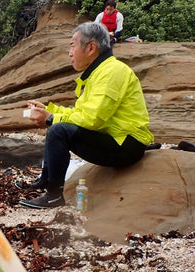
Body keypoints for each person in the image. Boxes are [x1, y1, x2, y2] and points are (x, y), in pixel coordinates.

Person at [17, 22, 153, 209]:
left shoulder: (112, 72)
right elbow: (80, 114)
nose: (69, 52)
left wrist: (50, 118)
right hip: (114, 138)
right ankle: (46, 181)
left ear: (91, 48)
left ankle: (54, 196)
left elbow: (92, 119)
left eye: (72, 45)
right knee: (56, 127)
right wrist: (50, 110)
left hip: (126, 144)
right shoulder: (99, 72)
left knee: (58, 130)